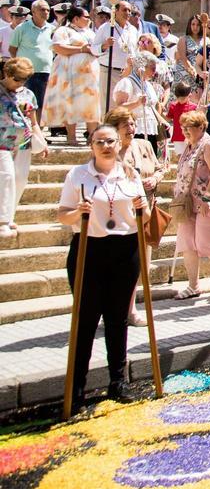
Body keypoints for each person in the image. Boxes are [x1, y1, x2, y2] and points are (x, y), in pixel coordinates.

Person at [56, 123, 147, 410]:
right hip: (89, 248)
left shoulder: (130, 174)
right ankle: (77, 388)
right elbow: (62, 215)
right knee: (85, 319)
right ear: (91, 146)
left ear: (118, 144)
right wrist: (78, 212)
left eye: (110, 141)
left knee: (118, 318)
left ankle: (118, 381)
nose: (106, 146)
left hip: (125, 249)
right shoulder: (78, 175)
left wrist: (143, 209)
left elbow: (144, 217)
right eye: (100, 142)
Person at [107, 105, 166, 326]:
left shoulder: (144, 145)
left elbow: (161, 167)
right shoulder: (109, 152)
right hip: (121, 216)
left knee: (142, 265)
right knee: (121, 266)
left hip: (145, 212)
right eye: (126, 125)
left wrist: (156, 179)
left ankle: (129, 308)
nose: (131, 128)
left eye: (133, 124)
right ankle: (121, 309)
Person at [171, 109, 210, 300]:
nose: (185, 131)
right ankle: (193, 286)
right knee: (187, 244)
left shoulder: (208, 144)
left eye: (189, 127)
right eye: (183, 127)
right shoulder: (189, 146)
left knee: (206, 244)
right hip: (186, 204)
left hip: (206, 202)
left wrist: (208, 197)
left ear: (202, 127)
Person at [43, 6, 99, 145]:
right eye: (86, 17)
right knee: (70, 103)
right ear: (76, 19)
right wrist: (81, 49)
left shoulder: (90, 32)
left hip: (89, 75)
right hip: (68, 73)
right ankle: (71, 136)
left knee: (91, 104)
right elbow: (58, 48)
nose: (89, 19)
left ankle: (92, 136)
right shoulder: (63, 31)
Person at [0, 58, 41, 236]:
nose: (21, 83)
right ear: (7, 74)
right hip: (2, 142)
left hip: (23, 142)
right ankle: (2, 221)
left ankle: (9, 216)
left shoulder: (28, 94)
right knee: (6, 177)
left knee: (20, 179)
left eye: (25, 79)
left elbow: (34, 122)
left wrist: (42, 142)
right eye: (17, 79)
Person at [9, 0, 53, 120]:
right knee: (26, 103)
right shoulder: (22, 28)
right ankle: (26, 127)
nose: (46, 12)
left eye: (48, 10)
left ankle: (38, 129)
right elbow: (12, 49)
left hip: (46, 71)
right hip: (27, 73)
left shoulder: (52, 29)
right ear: (33, 11)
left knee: (42, 103)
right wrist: (20, 67)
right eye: (42, 9)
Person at [113, 52, 165, 150]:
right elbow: (119, 107)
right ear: (143, 67)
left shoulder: (148, 84)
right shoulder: (127, 82)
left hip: (150, 129)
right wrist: (137, 103)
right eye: (153, 68)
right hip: (135, 129)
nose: (155, 72)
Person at [166, 81, 198, 159]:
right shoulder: (173, 106)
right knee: (180, 158)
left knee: (191, 157)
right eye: (179, 98)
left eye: (183, 98)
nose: (181, 100)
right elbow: (168, 118)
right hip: (178, 137)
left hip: (191, 136)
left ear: (189, 95)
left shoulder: (194, 107)